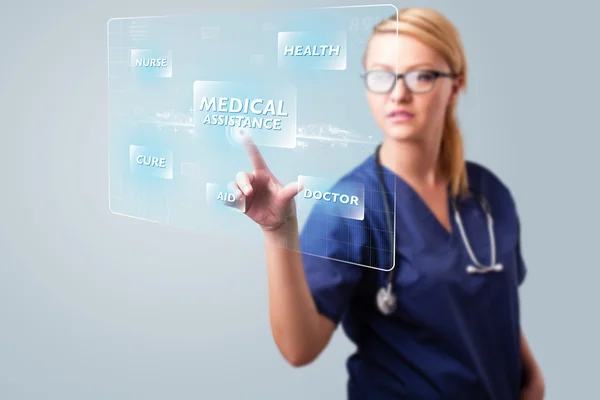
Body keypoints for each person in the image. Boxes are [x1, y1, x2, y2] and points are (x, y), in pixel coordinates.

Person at [231, 7, 545, 400]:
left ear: (456, 84)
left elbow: (497, 305)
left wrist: (532, 379)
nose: (398, 93)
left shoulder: (489, 195)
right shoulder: (346, 205)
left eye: (421, 75)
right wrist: (278, 231)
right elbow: (299, 347)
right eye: (382, 76)